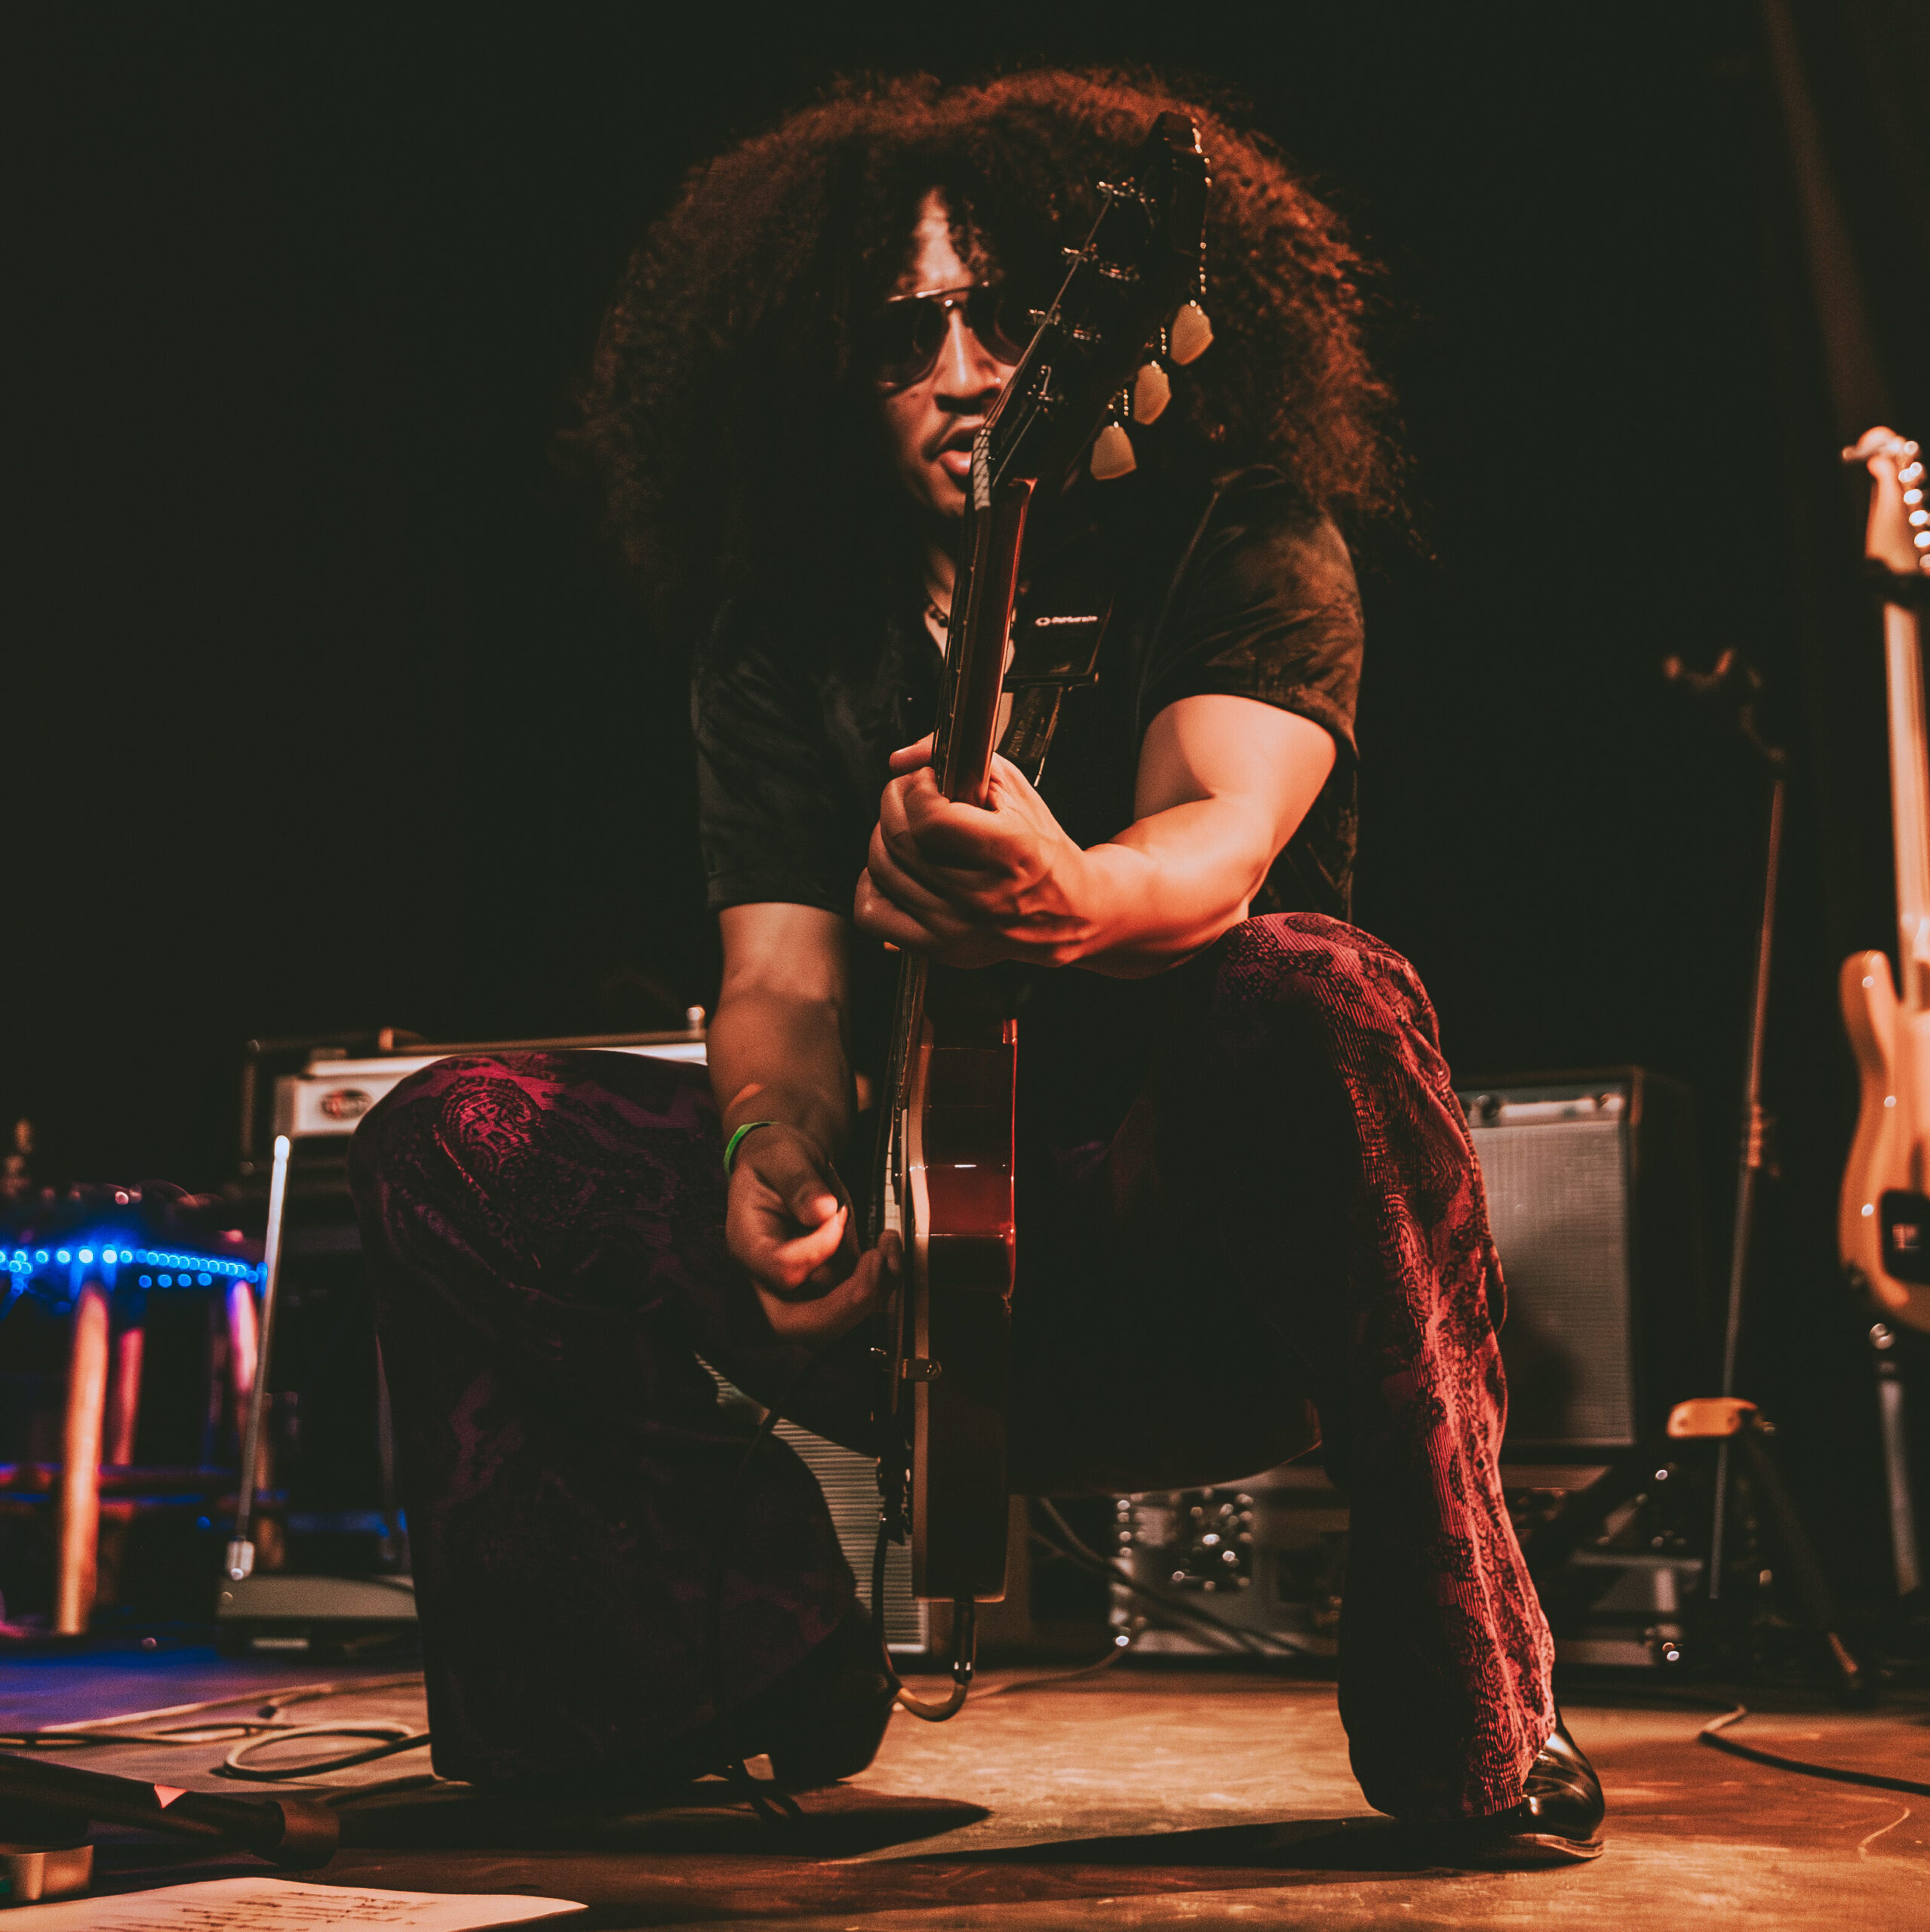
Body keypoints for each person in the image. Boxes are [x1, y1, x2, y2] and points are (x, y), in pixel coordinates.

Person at [348, 69, 1604, 1861]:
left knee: (1315, 985)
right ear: (817, 362)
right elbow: (772, 979)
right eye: (898, 328)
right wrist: (765, 1147)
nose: (963, 367)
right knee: (447, 1133)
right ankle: (721, 1671)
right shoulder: (778, 634)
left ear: (1119, 332)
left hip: (1212, 1271)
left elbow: (1218, 833)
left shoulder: (1237, 531)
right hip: (915, 1285)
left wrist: (1074, 895)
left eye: (1011, 312)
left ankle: (1471, 1710)